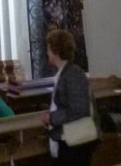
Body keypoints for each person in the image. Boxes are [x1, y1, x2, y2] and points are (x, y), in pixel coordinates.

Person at [41, 29, 99, 166]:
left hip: (77, 141)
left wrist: (52, 118)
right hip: (68, 139)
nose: (47, 52)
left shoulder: (73, 74)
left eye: (49, 48)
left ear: (56, 51)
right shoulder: (64, 73)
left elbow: (79, 109)